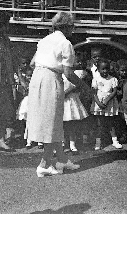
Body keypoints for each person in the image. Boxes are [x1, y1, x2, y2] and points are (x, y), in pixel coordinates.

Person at [26, 11, 82, 177]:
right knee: (51, 122)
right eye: (72, 26)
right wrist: (85, 87)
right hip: (51, 80)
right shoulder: (65, 43)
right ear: (66, 27)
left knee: (52, 121)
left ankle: (62, 160)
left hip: (37, 79)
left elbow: (32, 63)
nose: (73, 29)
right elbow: (68, 73)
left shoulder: (44, 40)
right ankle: (44, 164)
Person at [91, 58, 122, 150]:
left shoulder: (113, 79)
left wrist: (107, 100)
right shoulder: (96, 79)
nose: (105, 71)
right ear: (98, 69)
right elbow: (94, 93)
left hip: (109, 104)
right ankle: (98, 143)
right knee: (99, 124)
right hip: (99, 104)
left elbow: (114, 91)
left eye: (106, 69)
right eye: (102, 69)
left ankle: (115, 141)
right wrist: (98, 103)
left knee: (110, 123)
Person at [62, 67, 89, 153]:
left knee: (72, 124)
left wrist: (68, 91)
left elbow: (78, 85)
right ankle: (62, 144)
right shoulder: (58, 73)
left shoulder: (75, 74)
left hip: (71, 100)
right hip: (61, 101)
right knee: (60, 125)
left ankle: (72, 144)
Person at [0, 12, 16, 151]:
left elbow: (10, 62)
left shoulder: (5, 40)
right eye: (6, 25)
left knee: (4, 109)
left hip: (3, 80)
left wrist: (14, 81)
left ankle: (1, 138)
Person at [16, 67, 33, 148]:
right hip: (27, 103)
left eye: (31, 76)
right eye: (28, 76)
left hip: (36, 103)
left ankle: (40, 141)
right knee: (28, 122)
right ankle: (28, 141)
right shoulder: (25, 84)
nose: (30, 77)